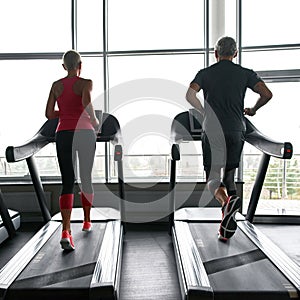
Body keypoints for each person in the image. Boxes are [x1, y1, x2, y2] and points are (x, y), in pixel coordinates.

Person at [186, 36, 272, 241]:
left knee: (213, 178)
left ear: (215, 54)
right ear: (235, 54)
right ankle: (226, 223)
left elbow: (190, 95)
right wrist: (252, 109)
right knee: (229, 176)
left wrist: (204, 111)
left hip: (212, 130)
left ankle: (226, 203)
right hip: (236, 130)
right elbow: (267, 94)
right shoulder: (245, 74)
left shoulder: (205, 73)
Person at [45, 50, 99, 250]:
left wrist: (66, 112)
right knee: (86, 177)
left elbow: (49, 113)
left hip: (64, 134)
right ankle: (86, 221)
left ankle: (66, 231)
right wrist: (94, 120)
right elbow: (86, 103)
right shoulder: (86, 83)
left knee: (67, 181)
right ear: (80, 65)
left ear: (64, 66)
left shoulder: (56, 86)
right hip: (84, 133)